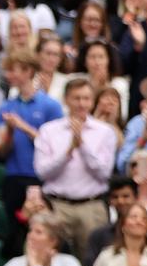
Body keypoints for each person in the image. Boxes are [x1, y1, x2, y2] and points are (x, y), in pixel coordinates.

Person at [33, 79, 118, 254]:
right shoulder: (48, 130)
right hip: (56, 206)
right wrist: (68, 151)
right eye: (76, 98)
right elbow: (42, 172)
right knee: (49, 257)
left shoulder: (105, 132)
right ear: (66, 100)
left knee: (92, 262)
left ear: (93, 101)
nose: (81, 103)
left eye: (86, 98)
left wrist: (82, 146)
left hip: (91, 206)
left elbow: (104, 173)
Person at [0, 49, 64, 258]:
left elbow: (54, 145)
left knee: (45, 230)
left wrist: (22, 126)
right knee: (15, 231)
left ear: (28, 72)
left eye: (13, 70)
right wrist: (9, 131)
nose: (9, 75)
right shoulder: (6, 107)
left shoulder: (50, 105)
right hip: (14, 177)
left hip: (42, 177)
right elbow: (2, 151)